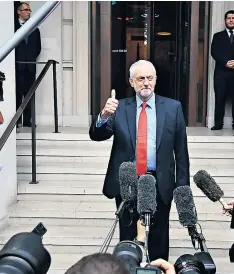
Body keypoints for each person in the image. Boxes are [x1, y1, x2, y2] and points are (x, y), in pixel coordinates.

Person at [89, 60, 190, 261]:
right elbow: (97, 135)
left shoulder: (173, 108)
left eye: (150, 78)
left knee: (159, 238)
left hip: (159, 183)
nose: (146, 83)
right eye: (140, 78)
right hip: (128, 184)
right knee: (128, 240)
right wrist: (104, 114)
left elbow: (181, 153)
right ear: (131, 82)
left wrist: (182, 189)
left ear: (155, 80)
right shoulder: (119, 108)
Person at [210, 10, 234, 131]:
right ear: (225, 20)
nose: (231, 20)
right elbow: (214, 52)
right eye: (229, 18)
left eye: (233, 18)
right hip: (221, 72)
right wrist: (225, 62)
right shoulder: (217, 36)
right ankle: (218, 123)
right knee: (219, 98)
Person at [15, 2, 41, 127]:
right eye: (26, 10)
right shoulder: (12, 27)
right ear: (19, 12)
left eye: (29, 10)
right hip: (17, 66)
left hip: (30, 66)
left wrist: (29, 59)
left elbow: (37, 48)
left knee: (30, 94)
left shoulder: (34, 28)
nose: (28, 12)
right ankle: (17, 120)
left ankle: (27, 120)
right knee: (17, 93)